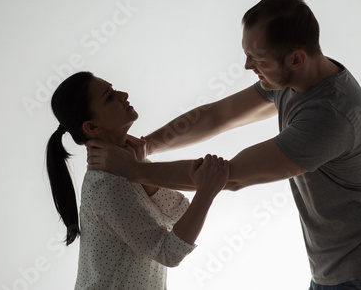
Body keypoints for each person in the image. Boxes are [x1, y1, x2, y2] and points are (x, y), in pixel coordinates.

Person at [87, 0, 361, 289]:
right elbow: (216, 116)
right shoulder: (294, 81)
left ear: (296, 58)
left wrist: (133, 170)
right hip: (335, 276)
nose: (248, 66)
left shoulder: (330, 116)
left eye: (257, 59)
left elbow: (230, 177)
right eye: (246, 54)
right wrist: (148, 145)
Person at [45, 71, 229, 289]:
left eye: (114, 89)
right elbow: (168, 252)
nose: (123, 94)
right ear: (92, 127)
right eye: (109, 96)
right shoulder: (106, 186)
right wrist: (206, 192)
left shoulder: (126, 170)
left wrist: (142, 170)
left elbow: (178, 214)